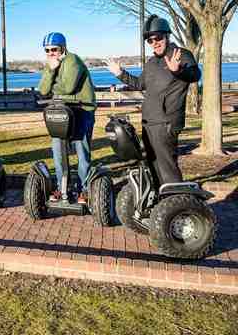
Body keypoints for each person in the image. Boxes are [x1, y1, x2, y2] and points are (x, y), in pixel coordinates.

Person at [107, 15, 201, 185]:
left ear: (167, 36)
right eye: (150, 40)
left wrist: (177, 71)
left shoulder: (181, 55)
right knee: (153, 165)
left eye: (158, 38)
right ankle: (161, 204)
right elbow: (139, 83)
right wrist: (120, 74)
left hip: (166, 122)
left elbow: (195, 75)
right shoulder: (151, 62)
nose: (154, 43)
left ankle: (177, 207)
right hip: (148, 121)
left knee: (167, 168)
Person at [37, 33, 97, 204]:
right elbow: (42, 90)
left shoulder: (73, 61)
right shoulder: (51, 65)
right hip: (62, 112)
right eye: (47, 50)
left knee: (81, 152)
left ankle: (83, 189)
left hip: (81, 111)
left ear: (62, 48)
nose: (51, 53)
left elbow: (68, 87)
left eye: (54, 49)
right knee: (58, 151)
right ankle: (61, 186)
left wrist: (52, 82)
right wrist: (51, 69)